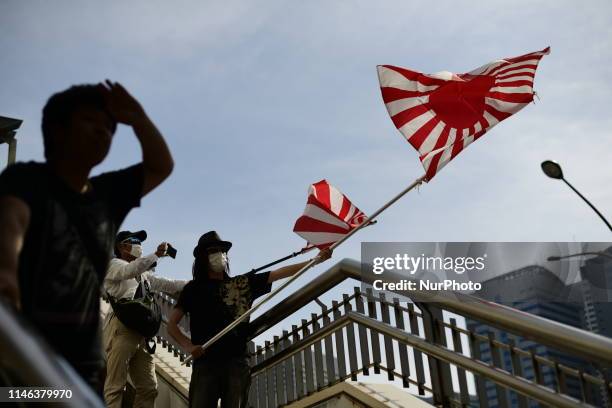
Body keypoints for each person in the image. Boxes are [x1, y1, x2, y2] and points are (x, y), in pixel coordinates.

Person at [0, 81, 174, 392]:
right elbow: (11, 219)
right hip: (25, 348)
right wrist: (6, 269)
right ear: (56, 129)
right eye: (89, 121)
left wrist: (137, 118)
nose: (102, 131)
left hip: (83, 360)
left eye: (108, 126)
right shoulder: (27, 178)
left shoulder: (106, 195)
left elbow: (161, 165)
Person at [167, 231, 333, 408]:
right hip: (206, 364)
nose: (220, 255)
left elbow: (277, 274)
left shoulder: (242, 284)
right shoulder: (192, 289)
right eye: (213, 250)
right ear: (202, 257)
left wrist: (314, 261)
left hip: (237, 363)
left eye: (223, 251)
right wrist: (188, 346)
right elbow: (171, 325)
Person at [103, 229, 187, 408]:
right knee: (116, 386)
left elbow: (170, 284)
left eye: (139, 241)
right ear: (121, 246)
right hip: (122, 330)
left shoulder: (144, 276)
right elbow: (129, 270)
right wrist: (156, 254)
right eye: (134, 240)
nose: (138, 245)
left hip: (143, 335)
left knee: (149, 388)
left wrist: (198, 283)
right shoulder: (114, 265)